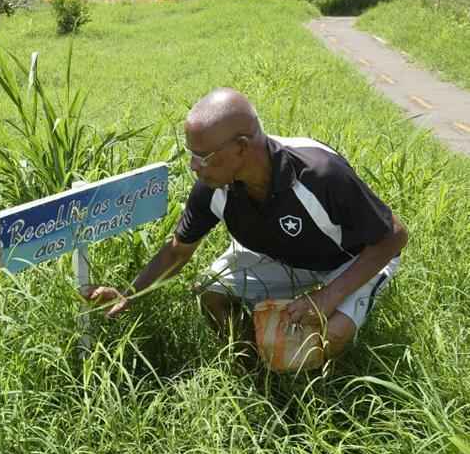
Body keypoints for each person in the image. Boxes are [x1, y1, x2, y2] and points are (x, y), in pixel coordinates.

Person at [87, 88, 408, 361]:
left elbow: (394, 235)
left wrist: (327, 298)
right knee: (211, 292)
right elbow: (177, 252)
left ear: (241, 146)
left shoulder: (318, 174)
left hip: (352, 260)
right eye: (191, 154)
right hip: (285, 256)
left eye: (204, 156)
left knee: (325, 339)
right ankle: (255, 369)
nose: (193, 166)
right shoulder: (214, 186)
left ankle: (316, 398)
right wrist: (129, 295)